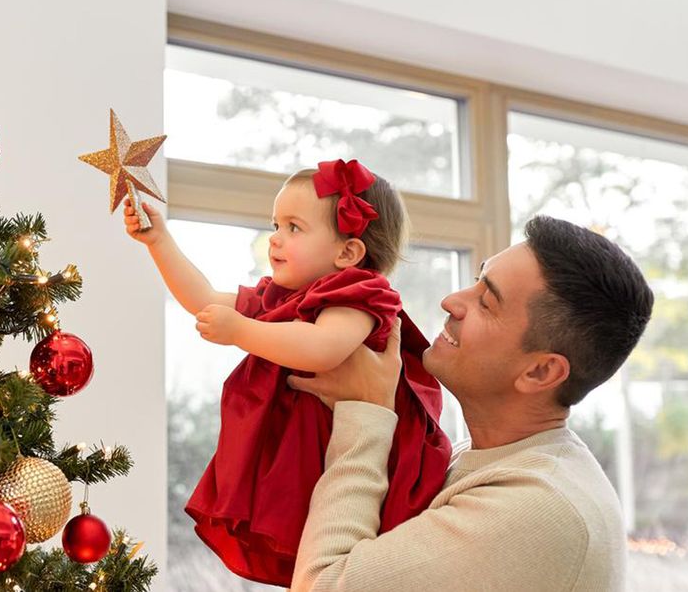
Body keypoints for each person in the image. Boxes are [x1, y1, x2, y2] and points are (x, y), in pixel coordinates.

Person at [124, 159, 450, 587]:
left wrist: (241, 330)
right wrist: (159, 242)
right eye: (275, 224)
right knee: (312, 550)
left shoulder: (361, 296)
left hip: (359, 456)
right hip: (308, 450)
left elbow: (322, 348)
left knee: (341, 549)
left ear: (348, 252)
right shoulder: (281, 297)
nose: (275, 239)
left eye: (293, 227)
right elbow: (203, 298)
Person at [288, 215, 653, 591]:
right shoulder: (489, 460)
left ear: (540, 372)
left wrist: (365, 412)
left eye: (487, 302)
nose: (451, 301)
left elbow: (322, 585)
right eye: (476, 279)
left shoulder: (537, 508)